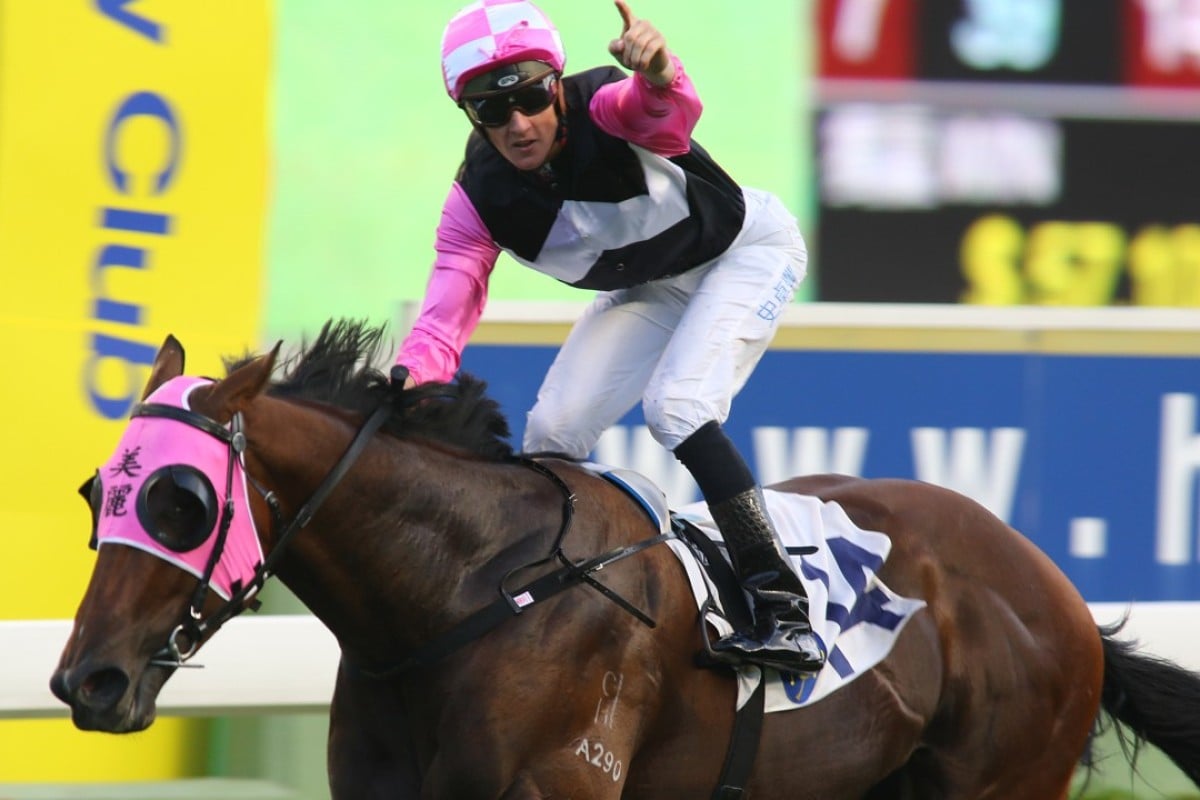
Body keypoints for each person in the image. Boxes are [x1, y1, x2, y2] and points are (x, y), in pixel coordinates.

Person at [393, 0, 824, 675]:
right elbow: (446, 315)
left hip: (745, 252)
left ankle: (784, 612)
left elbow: (665, 113)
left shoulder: (605, 107)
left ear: (557, 85)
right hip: (650, 284)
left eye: (532, 96)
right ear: (469, 115)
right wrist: (406, 381)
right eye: (490, 109)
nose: (518, 124)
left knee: (677, 407)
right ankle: (561, 612)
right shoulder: (475, 199)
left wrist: (659, 70)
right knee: (550, 435)